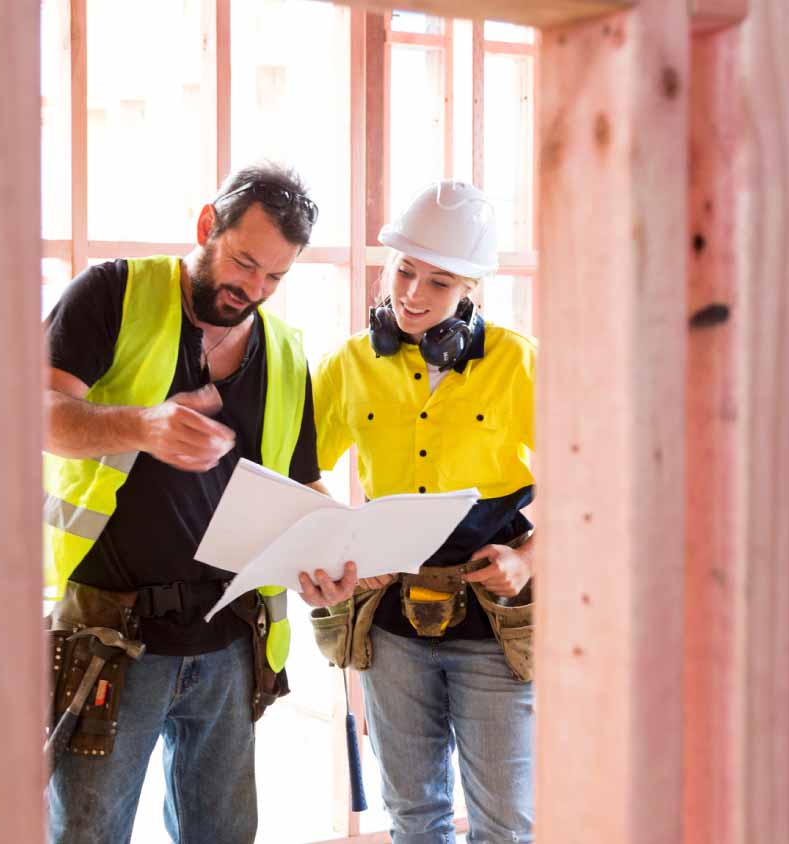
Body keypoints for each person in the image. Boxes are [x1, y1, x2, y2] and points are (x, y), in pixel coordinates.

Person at [42, 162, 347, 844]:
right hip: (109, 634)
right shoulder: (114, 293)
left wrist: (336, 547)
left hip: (230, 640)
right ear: (207, 226)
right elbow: (38, 412)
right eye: (244, 263)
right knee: (87, 835)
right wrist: (141, 426)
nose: (254, 290)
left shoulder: (287, 353)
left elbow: (301, 484)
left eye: (275, 277)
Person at [300, 181, 538, 844]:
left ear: (472, 291)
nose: (412, 294)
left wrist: (527, 557)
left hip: (494, 623)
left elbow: (596, 481)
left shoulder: (517, 362)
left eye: (439, 282)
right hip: (395, 624)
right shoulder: (350, 364)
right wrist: (345, 542)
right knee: (413, 816)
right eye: (404, 271)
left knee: (506, 822)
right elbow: (297, 474)